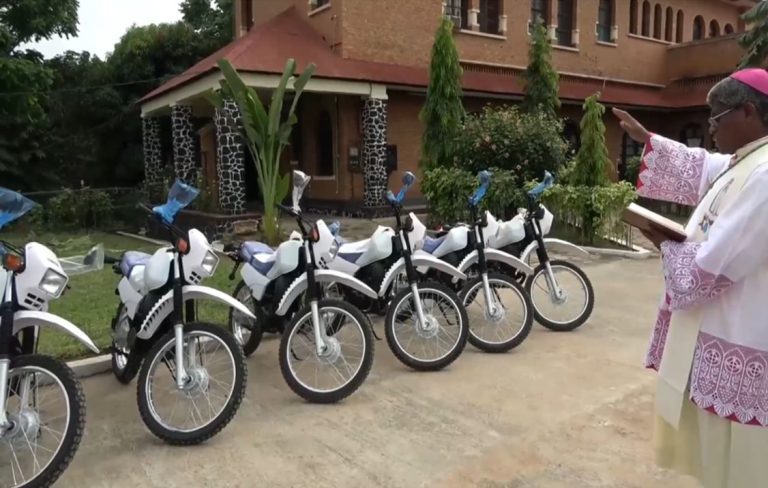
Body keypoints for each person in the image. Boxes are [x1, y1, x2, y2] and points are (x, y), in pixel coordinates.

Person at [613, 68, 768, 488]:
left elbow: (719, 260)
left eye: (717, 117)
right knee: (717, 457)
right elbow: (706, 167)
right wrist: (650, 141)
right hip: (724, 324)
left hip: (745, 331)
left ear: (749, 111)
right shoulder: (748, 159)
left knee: (743, 461)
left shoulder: (765, 172)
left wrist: (668, 246)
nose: (710, 127)